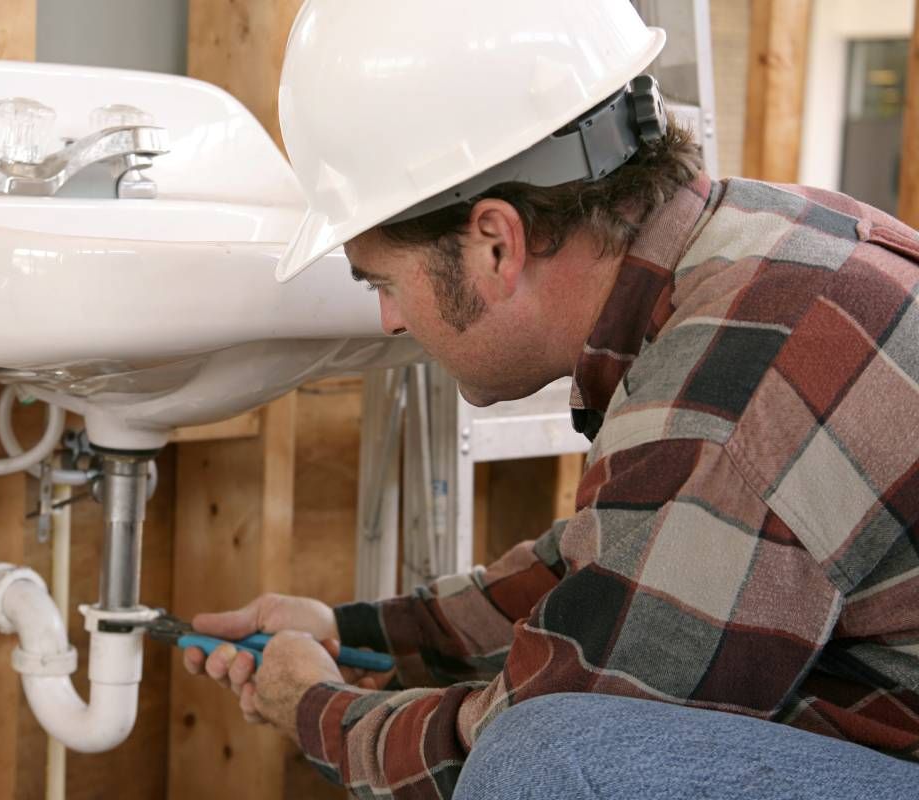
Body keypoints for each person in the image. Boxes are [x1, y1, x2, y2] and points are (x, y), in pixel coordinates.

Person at [185, 1, 919, 797]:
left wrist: (312, 707)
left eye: (385, 281)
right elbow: (614, 570)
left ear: (496, 243)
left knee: (547, 758)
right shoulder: (754, 245)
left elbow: (531, 735)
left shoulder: (733, 390)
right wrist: (351, 632)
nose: (390, 318)